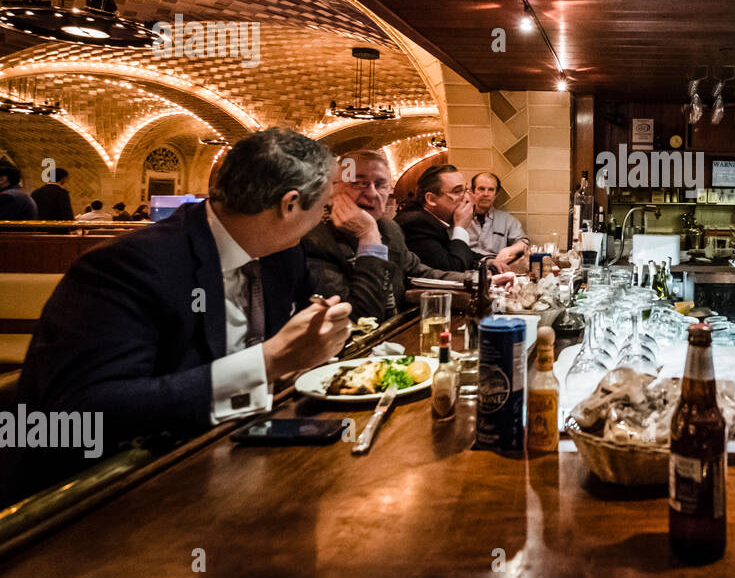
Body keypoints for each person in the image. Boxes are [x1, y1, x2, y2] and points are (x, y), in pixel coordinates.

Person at [17, 127, 353, 490]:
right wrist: (268, 362)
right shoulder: (128, 267)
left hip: (235, 454)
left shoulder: (282, 253)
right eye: (322, 208)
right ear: (289, 205)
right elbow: (84, 411)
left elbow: (305, 326)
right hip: (109, 490)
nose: (323, 217)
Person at [301, 150, 477, 322]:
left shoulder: (388, 228)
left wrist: (482, 280)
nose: (372, 194)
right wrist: (368, 237)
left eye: (380, 185)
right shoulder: (314, 241)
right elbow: (363, 320)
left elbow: (423, 274)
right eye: (358, 183)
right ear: (331, 191)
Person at [395, 164, 479, 272]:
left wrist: (487, 261)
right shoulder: (417, 224)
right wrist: (461, 227)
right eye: (457, 191)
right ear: (431, 199)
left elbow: (451, 251)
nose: (466, 198)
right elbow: (452, 270)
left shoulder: (430, 219)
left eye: (466, 190)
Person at [465, 172, 530, 273]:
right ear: (473, 191)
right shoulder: (460, 218)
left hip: (496, 272)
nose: (486, 194)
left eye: (491, 189)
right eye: (481, 189)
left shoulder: (507, 220)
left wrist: (509, 250)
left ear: (496, 194)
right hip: (464, 271)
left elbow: (524, 242)